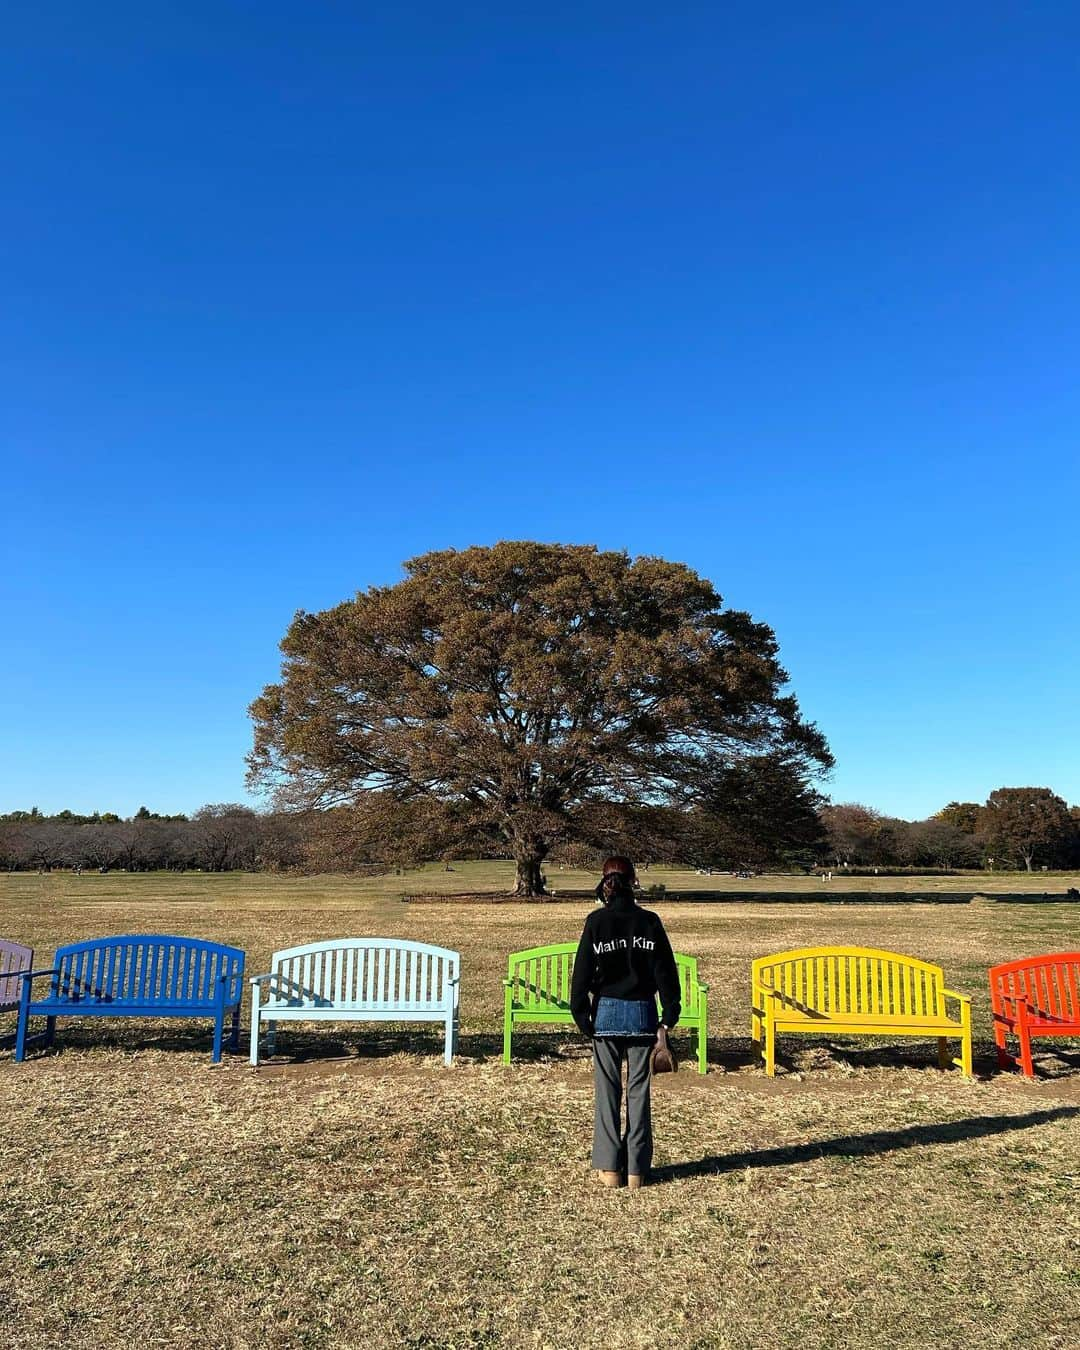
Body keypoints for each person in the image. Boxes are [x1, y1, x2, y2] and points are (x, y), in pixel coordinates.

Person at [570, 855, 681, 1190]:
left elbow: (582, 973)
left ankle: (609, 1168)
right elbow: (665, 971)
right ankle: (636, 1169)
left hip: (605, 1014)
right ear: (633, 881)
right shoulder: (650, 922)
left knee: (607, 1093)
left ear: (605, 883)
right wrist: (669, 1014)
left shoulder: (596, 922)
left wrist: (581, 1013)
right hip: (643, 1014)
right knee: (638, 1093)